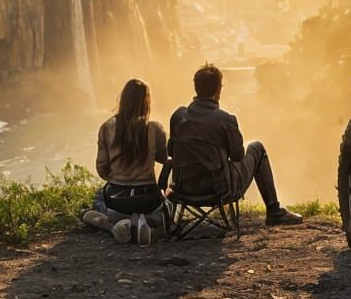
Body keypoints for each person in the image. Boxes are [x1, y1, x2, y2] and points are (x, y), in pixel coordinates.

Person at [168, 64, 302, 226]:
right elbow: (238, 156)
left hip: (184, 188)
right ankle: (274, 211)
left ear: (195, 87)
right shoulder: (225, 120)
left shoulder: (178, 116)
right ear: (218, 89)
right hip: (219, 190)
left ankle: (274, 211)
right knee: (257, 147)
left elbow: (171, 152)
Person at [83, 78, 166, 245]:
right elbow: (164, 159)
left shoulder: (106, 128)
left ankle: (114, 226)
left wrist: (119, 177)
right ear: (146, 102)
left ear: (123, 99)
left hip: (117, 198)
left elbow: (101, 168)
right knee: (163, 210)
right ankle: (144, 223)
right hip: (148, 198)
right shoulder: (155, 129)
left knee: (93, 204)